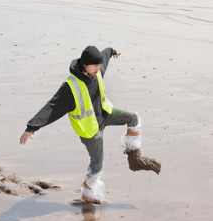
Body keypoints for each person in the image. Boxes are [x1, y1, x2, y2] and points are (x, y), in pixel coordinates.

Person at [19, 46, 161, 203]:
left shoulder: (97, 69)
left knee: (133, 118)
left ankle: (135, 158)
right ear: (84, 65)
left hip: (105, 114)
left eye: (99, 65)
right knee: (97, 165)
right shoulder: (70, 86)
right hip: (90, 131)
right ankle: (87, 196)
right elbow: (52, 107)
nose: (98, 68)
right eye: (95, 65)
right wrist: (32, 127)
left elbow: (104, 56)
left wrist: (112, 51)